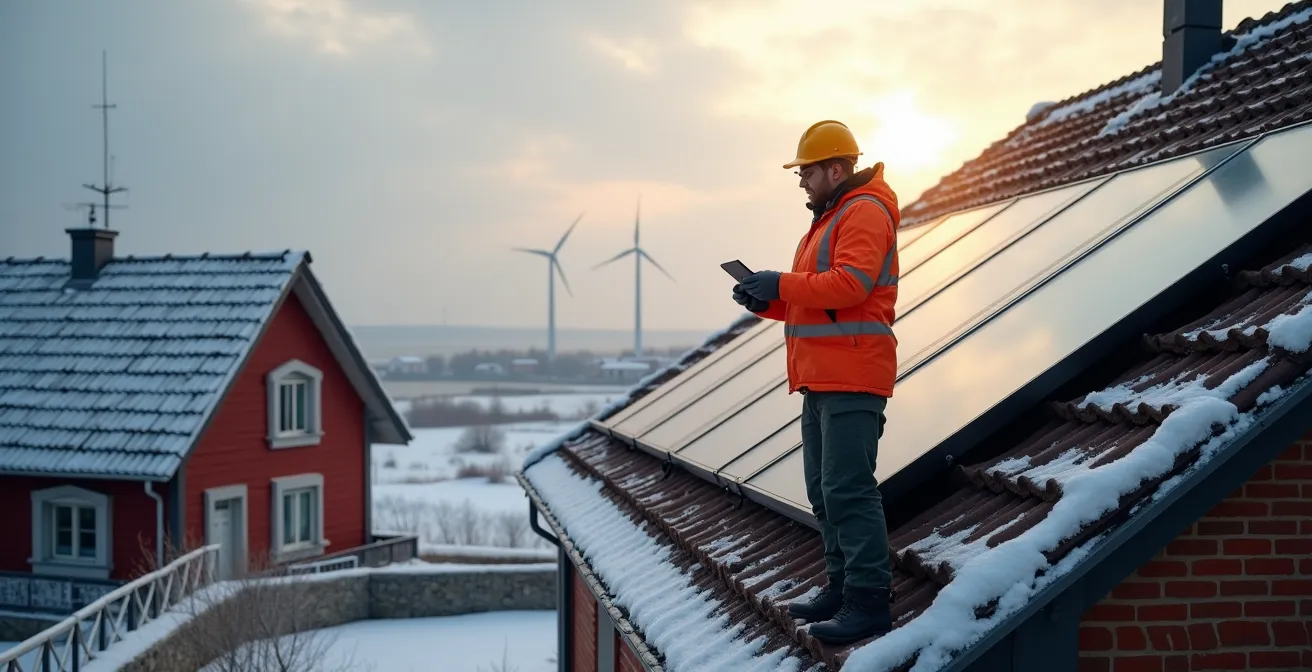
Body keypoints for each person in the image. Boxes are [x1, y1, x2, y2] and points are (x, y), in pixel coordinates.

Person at [732, 119, 899, 645]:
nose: (801, 181)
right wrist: (766, 301)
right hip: (822, 378)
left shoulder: (863, 211)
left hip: (852, 374)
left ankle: (868, 601)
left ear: (836, 169)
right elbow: (818, 302)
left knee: (848, 489)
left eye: (806, 171)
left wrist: (780, 283)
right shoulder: (830, 218)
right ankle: (841, 587)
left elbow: (851, 285)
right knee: (824, 493)